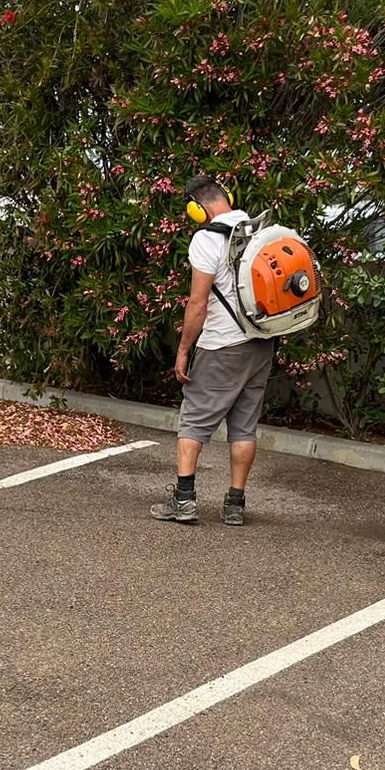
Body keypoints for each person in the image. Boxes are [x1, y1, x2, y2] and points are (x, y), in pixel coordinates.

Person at [150, 174, 274, 527]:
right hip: (260, 343)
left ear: (196, 209)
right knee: (244, 426)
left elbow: (198, 303)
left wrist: (183, 349)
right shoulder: (257, 231)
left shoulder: (206, 240)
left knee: (193, 421)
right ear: (228, 198)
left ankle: (185, 500)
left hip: (221, 345)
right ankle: (235, 504)